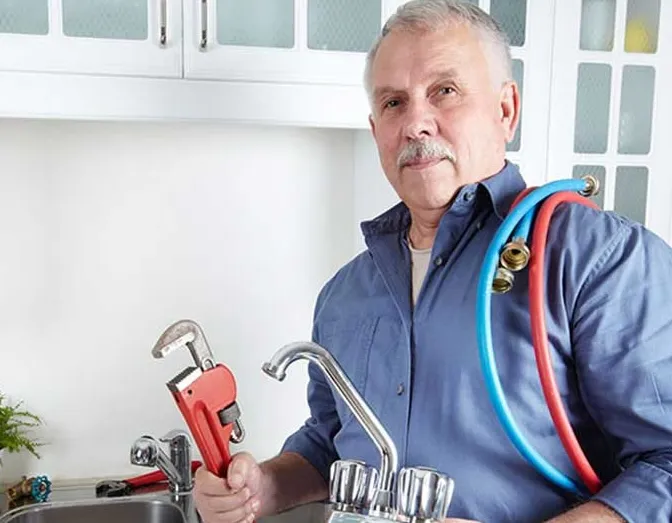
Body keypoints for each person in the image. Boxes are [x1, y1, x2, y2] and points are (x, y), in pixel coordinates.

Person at [192, 1, 672, 521]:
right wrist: (262, 486)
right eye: (393, 103)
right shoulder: (345, 293)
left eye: (445, 91)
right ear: (376, 129)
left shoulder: (596, 258)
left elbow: (665, 465)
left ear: (506, 111)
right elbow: (330, 443)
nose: (416, 123)